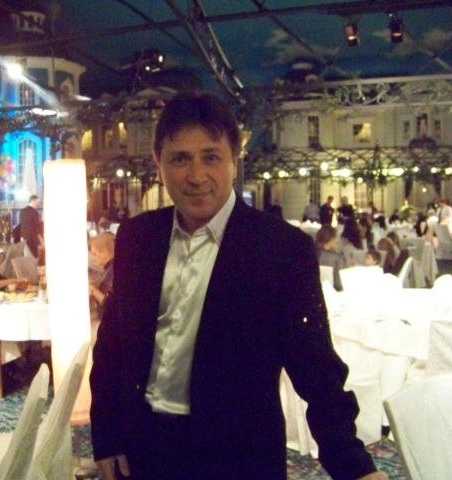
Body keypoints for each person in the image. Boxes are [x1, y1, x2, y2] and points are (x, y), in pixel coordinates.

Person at [90, 92, 386, 480]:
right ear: (158, 164)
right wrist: (107, 433)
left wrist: (354, 467)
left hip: (237, 457)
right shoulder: (138, 236)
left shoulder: (280, 248)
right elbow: (112, 345)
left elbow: (316, 369)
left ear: (234, 161)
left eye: (211, 157)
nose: (196, 176)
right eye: (180, 159)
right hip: (144, 450)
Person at [89, 232, 115, 319]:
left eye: (94, 254)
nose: (93, 258)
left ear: (105, 252)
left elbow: (109, 303)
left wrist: (93, 289)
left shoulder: (112, 271)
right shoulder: (111, 268)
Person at [315, 225, 345, 291]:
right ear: (331, 239)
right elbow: (340, 283)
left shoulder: (312, 254)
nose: (337, 240)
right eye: (336, 238)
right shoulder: (337, 259)